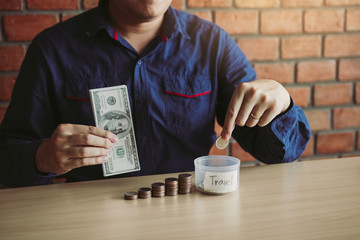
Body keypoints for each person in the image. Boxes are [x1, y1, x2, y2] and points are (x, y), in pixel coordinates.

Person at [0, 0, 311, 187]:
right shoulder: (52, 49)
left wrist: (282, 104)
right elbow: (7, 155)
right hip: (91, 222)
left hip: (191, 212)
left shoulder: (213, 44)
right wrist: (44, 157)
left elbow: (281, 152)